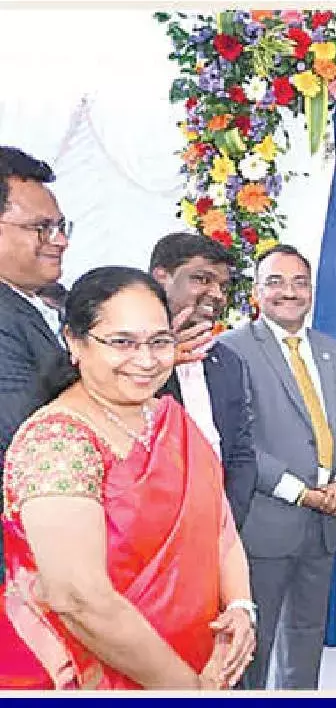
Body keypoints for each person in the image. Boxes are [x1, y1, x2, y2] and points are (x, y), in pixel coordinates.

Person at [0, 266, 255, 689]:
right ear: (74, 342)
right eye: (122, 342)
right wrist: (187, 690)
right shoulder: (57, 441)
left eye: (159, 341)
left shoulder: (168, 418)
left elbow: (218, 525)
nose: (146, 360)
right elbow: (78, 599)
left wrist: (242, 605)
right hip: (78, 674)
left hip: (195, 659)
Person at [220, 244, 336, 690]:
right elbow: (236, 442)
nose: (289, 292)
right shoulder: (231, 350)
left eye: (299, 282)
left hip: (324, 523)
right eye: (276, 282)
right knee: (252, 645)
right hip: (266, 521)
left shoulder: (332, 351)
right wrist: (300, 492)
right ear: (256, 292)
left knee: (306, 637)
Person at [148, 233, 257, 530]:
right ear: (162, 278)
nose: (218, 294)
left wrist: (226, 520)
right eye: (202, 279)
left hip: (217, 528)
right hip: (149, 530)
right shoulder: (129, 358)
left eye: (223, 285)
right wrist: (161, 357)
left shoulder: (229, 362)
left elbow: (241, 453)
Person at [0, 146, 71, 584]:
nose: (59, 240)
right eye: (41, 228)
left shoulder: (52, 302)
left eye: (61, 227)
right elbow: (21, 430)